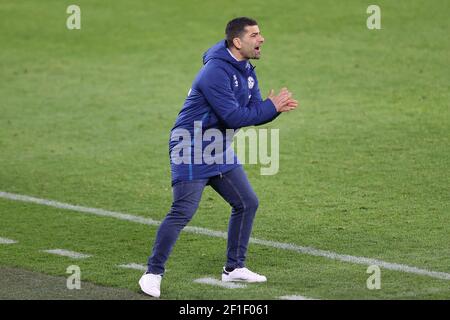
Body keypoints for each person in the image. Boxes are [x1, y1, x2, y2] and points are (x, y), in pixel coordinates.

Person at [139, 17, 298, 298]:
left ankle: (234, 268)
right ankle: (152, 273)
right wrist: (269, 107)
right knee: (183, 211)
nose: (261, 39)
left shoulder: (247, 70)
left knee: (246, 202)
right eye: (255, 35)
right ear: (238, 42)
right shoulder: (215, 72)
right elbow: (235, 116)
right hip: (190, 146)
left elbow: (252, 110)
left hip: (217, 145)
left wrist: (272, 108)